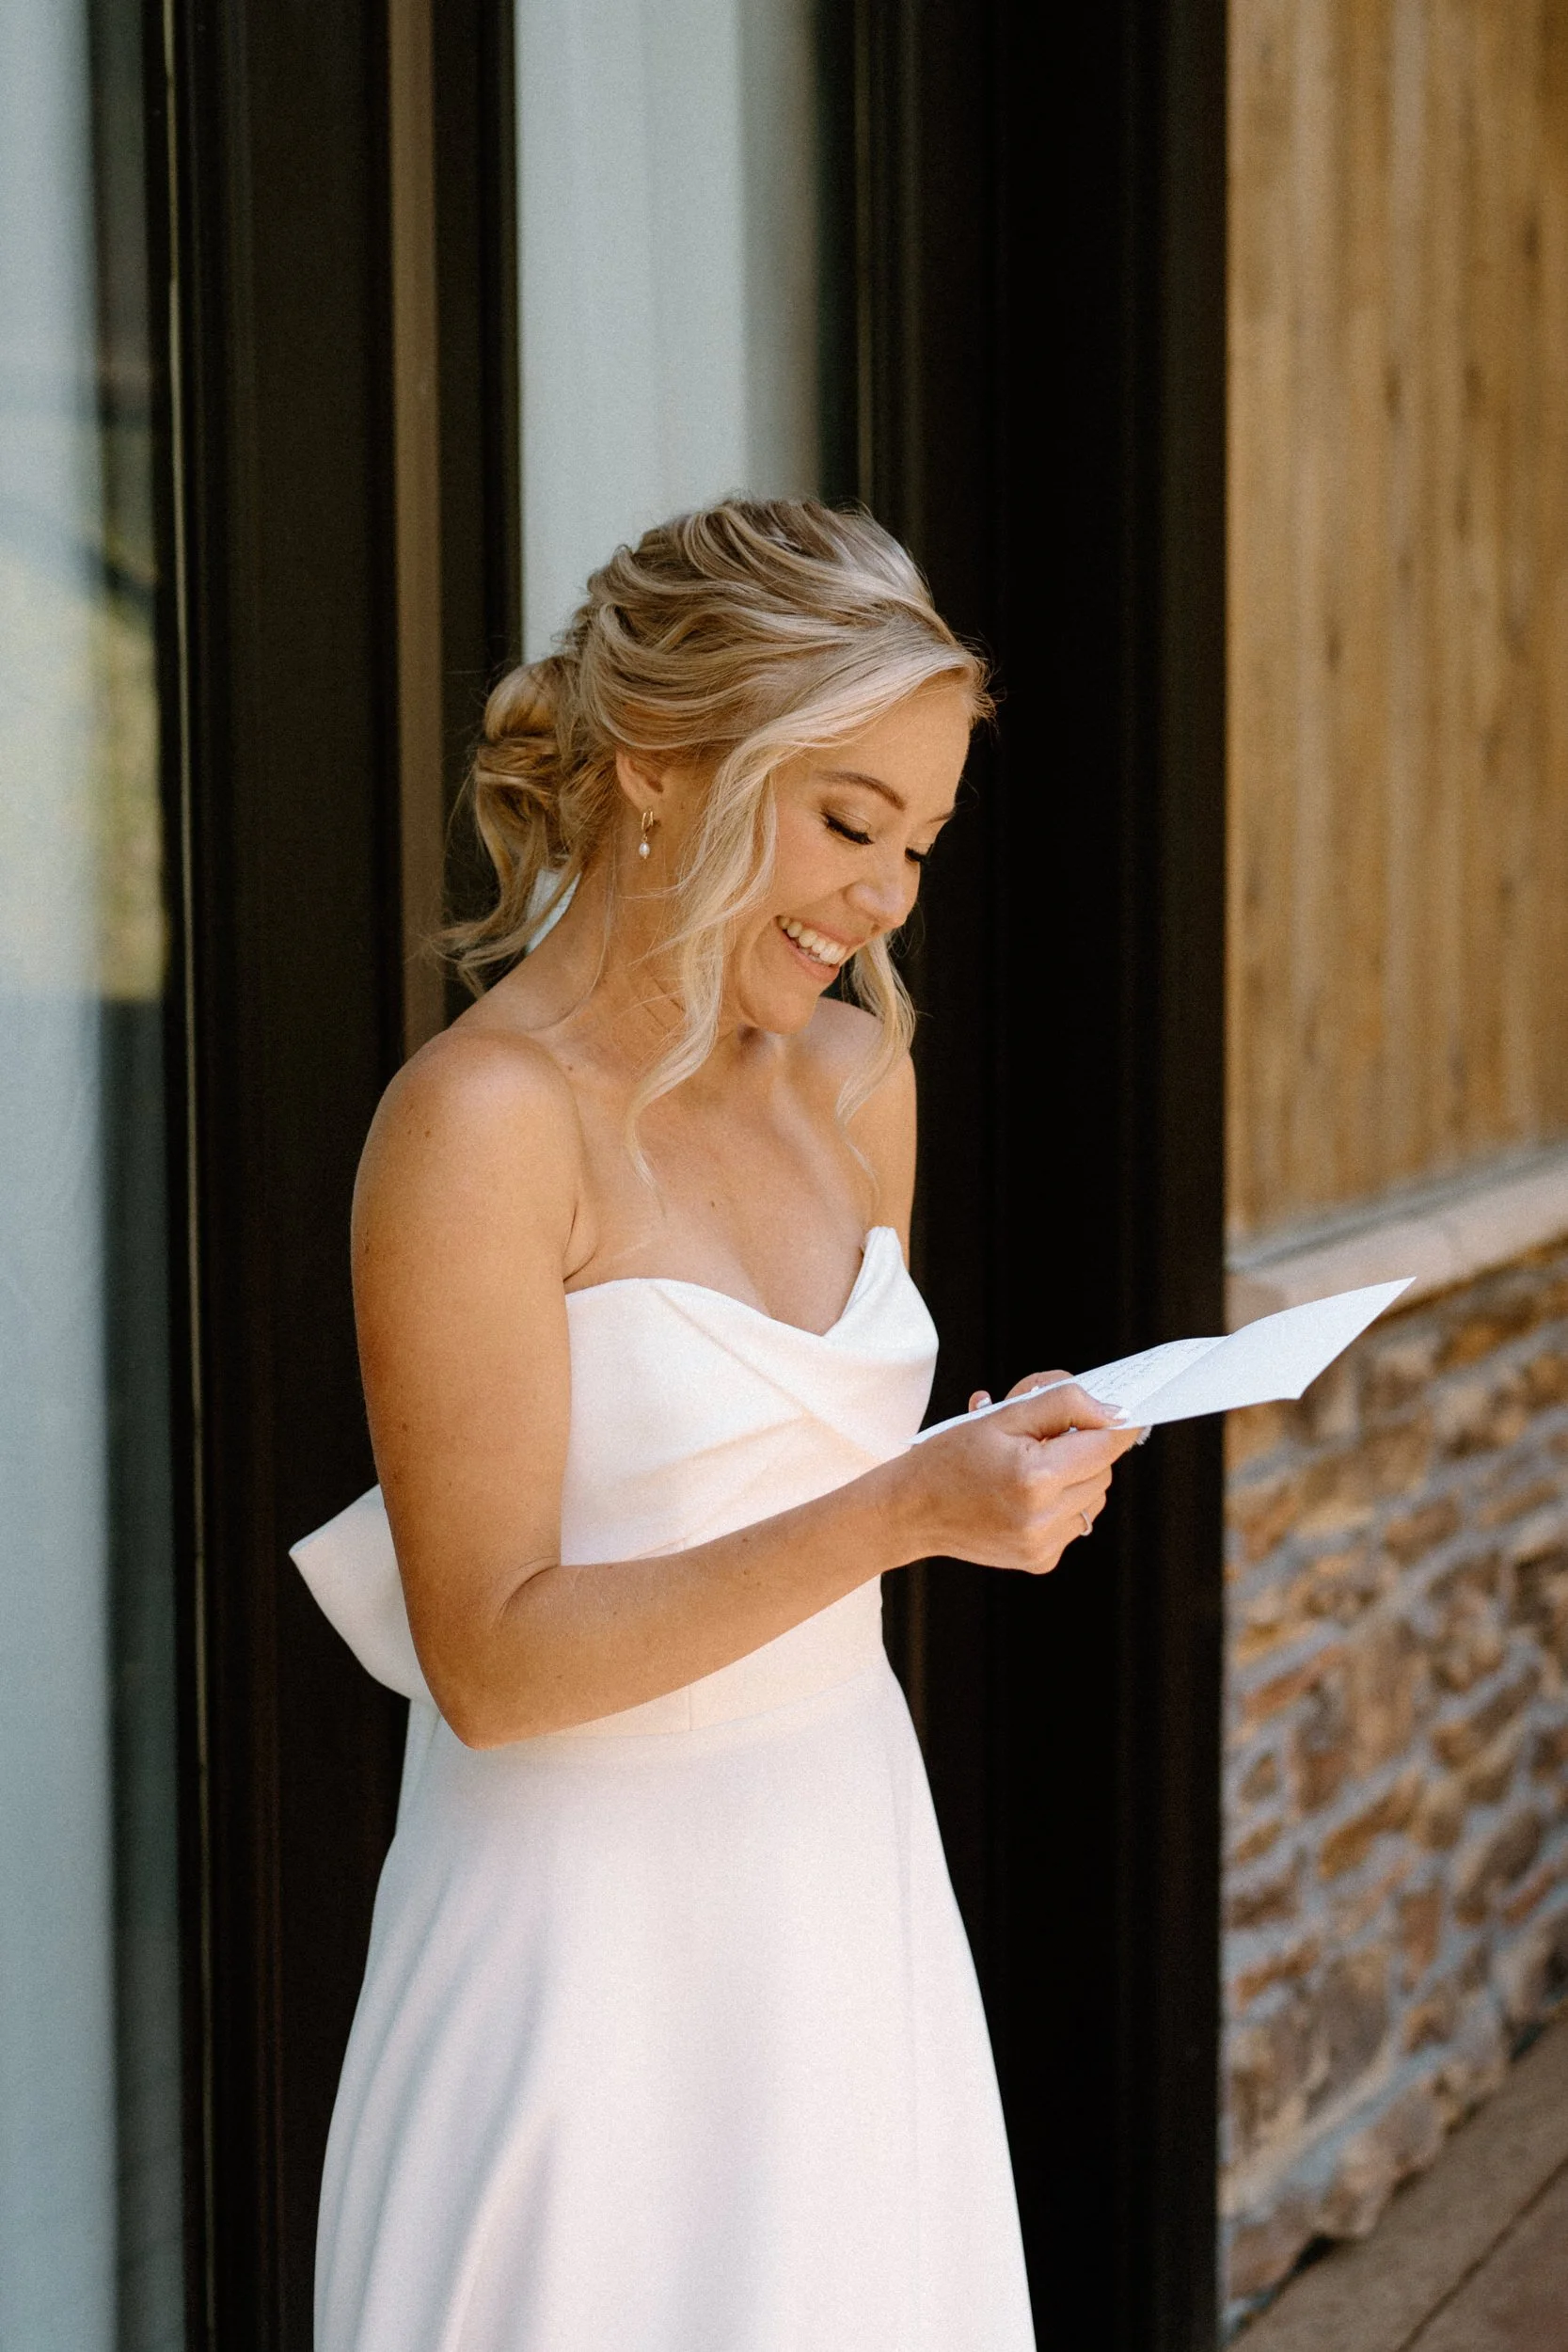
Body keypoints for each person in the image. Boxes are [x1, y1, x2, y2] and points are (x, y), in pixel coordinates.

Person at [294, 498, 1137, 2350]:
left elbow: (815, 1478)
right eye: (848, 821)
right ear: (654, 766)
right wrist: (904, 1508)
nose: (889, 895)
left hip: (841, 1875)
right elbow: (491, 1661)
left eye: (915, 842)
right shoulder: (480, 1125)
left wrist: (979, 1467)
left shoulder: (856, 1080)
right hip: (579, 1955)